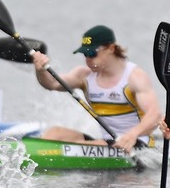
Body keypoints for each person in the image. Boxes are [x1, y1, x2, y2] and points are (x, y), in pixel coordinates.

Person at [31, 25, 161, 153]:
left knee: (80, 145)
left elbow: (154, 116)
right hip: (106, 143)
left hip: (137, 145)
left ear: (110, 48)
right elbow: (52, 83)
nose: (88, 59)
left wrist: (131, 135)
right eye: (85, 54)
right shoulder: (84, 76)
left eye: (92, 53)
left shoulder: (134, 77)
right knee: (54, 133)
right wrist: (41, 70)